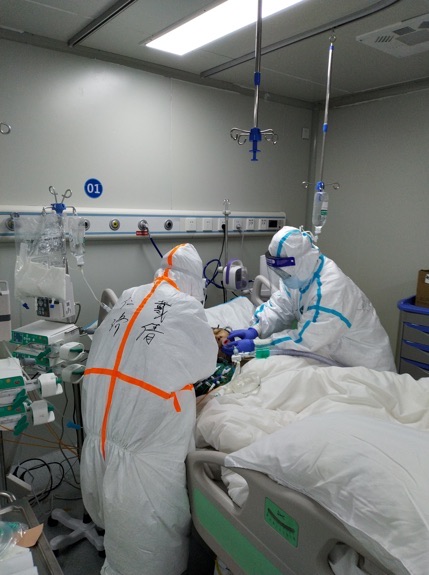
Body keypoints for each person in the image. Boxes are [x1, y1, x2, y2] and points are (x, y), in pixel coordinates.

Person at [80, 243, 218, 575]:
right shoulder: (186, 307)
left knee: (117, 523)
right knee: (146, 548)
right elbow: (205, 363)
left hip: (101, 429)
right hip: (145, 448)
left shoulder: (131, 295)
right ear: (194, 282)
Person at [222, 226, 396, 372]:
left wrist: (256, 346)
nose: (282, 276)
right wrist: (256, 328)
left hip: (366, 367)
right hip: (332, 360)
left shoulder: (331, 291)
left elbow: (303, 341)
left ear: (302, 261)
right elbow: (280, 306)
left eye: (284, 271)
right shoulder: (300, 275)